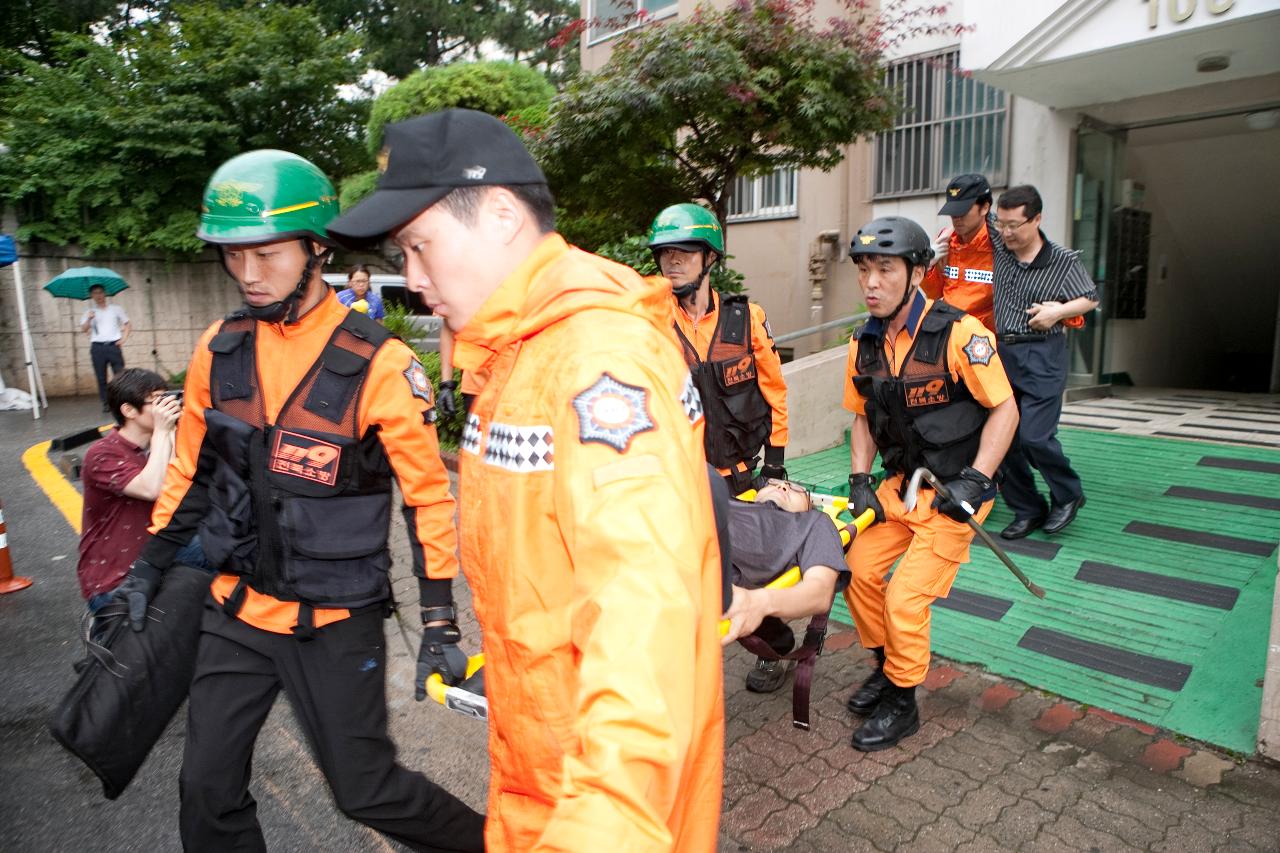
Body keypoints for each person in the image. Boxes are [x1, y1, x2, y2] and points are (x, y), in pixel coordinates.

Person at [327, 109, 724, 851]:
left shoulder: (595, 361)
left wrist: (595, 831)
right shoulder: (515, 354)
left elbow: (643, 620)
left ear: (502, 214)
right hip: (538, 771)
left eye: (419, 245)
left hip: (595, 806)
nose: (410, 278)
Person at [110, 149, 484, 851]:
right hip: (236, 611)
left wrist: (440, 622)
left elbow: (428, 499)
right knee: (205, 791)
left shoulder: (380, 362)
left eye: (268, 254)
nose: (248, 275)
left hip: (334, 618)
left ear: (316, 248)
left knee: (365, 789)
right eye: (233, 256)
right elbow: (188, 473)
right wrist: (146, 569)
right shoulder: (218, 349)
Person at [842, 216, 1018, 751]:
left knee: (904, 597)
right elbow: (861, 415)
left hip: (953, 493)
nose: (871, 283)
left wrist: (978, 479)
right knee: (857, 570)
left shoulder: (961, 333)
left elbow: (1005, 409)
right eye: (864, 270)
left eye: (885, 269)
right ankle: (885, 666)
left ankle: (903, 699)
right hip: (904, 485)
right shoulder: (863, 343)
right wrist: (858, 478)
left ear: (917, 272)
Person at [647, 203, 789, 495]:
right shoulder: (652, 324)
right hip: (679, 483)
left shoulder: (747, 319)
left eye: (684, 251)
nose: (672, 260)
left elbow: (774, 393)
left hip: (740, 480)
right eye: (665, 252)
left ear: (710, 256)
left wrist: (775, 464)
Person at [991, 185, 1099, 539]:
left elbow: (1090, 298)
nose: (1006, 232)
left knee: (1035, 437)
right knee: (1002, 439)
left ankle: (1068, 494)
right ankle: (1027, 509)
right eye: (1001, 223)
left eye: (1014, 225)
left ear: (1036, 219)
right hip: (1003, 354)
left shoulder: (1063, 261)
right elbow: (970, 222)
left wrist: (1058, 312)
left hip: (1043, 353)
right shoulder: (1000, 246)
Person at [720, 479, 849, 703]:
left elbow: (820, 591)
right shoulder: (728, 501)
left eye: (797, 489)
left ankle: (776, 643)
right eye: (773, 484)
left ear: (809, 506)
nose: (782, 487)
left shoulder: (814, 523)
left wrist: (758, 602)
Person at [78, 369, 182, 613]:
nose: (165, 407)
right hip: (115, 580)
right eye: (156, 401)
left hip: (156, 564)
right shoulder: (102, 453)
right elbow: (151, 488)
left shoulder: (159, 441)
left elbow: (180, 486)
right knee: (126, 651)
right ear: (128, 411)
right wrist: (164, 432)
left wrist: (173, 433)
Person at [923, 173, 997, 331]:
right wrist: (928, 265)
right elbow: (935, 294)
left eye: (963, 211)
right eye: (953, 212)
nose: (956, 218)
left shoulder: (1000, 243)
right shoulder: (946, 241)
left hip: (987, 341)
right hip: (949, 334)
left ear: (984, 207)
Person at [80, 283, 131, 412]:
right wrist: (89, 319)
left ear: (105, 293)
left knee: (120, 376)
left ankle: (121, 401)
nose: (99, 295)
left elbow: (127, 323)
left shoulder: (115, 309)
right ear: (92, 295)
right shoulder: (89, 312)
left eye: (100, 292)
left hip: (113, 346)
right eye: (95, 293)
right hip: (97, 348)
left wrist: (123, 338)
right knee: (101, 377)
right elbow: (84, 329)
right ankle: (106, 402)